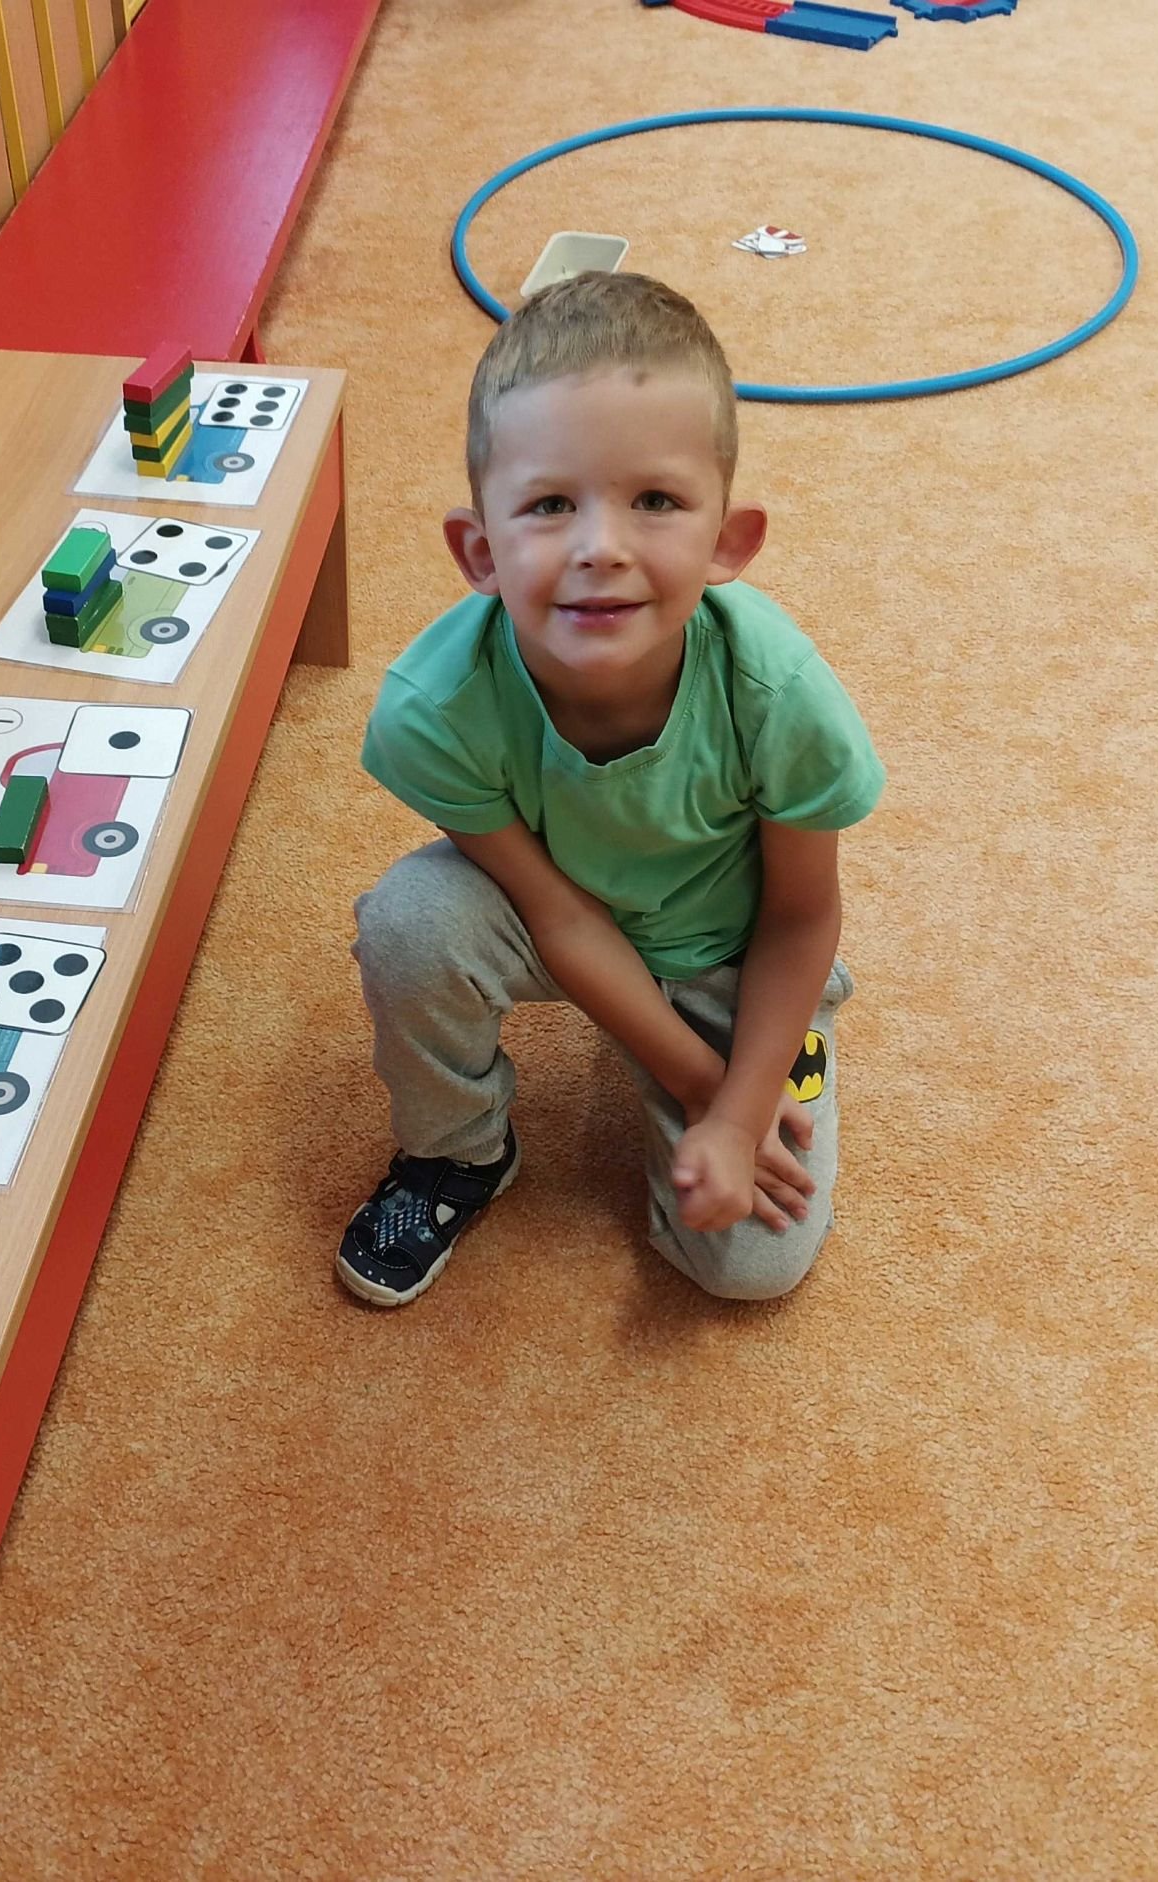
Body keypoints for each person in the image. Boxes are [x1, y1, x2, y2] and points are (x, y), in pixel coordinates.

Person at [340, 271, 885, 1308]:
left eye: (656, 502)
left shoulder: (782, 696)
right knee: (412, 923)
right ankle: (456, 1153)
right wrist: (705, 1092)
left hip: (732, 948)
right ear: (478, 551)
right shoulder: (432, 710)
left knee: (755, 1268)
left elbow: (802, 914)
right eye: (550, 505)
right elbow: (558, 916)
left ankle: (786, 1045)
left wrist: (742, 1107)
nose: (600, 547)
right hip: (563, 915)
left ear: (729, 541)